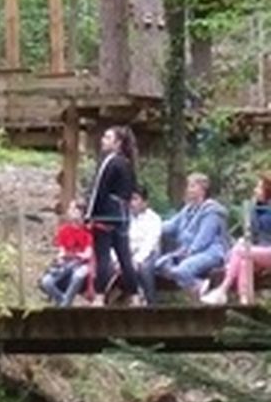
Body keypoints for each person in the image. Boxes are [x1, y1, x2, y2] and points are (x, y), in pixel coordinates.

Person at [143, 172, 229, 303]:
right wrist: (151, 224)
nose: (189, 190)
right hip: (186, 252)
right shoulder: (188, 209)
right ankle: (201, 288)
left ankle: (205, 291)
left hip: (209, 252)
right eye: (189, 186)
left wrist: (188, 253)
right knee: (159, 265)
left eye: (193, 186)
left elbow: (204, 239)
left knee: (183, 270)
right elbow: (171, 226)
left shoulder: (212, 211)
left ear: (203, 189)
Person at [85, 124, 139, 305]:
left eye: (107, 138)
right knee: (125, 257)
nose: (103, 140)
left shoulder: (109, 162)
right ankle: (135, 295)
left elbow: (98, 191)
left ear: (117, 143)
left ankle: (99, 296)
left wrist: (89, 215)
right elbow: (131, 190)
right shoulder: (127, 163)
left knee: (103, 257)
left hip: (105, 216)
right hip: (122, 216)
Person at [202, 173, 271, 305]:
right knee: (244, 261)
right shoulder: (256, 208)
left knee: (240, 250)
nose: (255, 190)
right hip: (261, 251)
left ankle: (223, 289)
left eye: (259, 187)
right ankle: (244, 301)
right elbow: (252, 233)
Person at [39, 199, 93, 307]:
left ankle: (65, 304)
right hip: (66, 263)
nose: (70, 211)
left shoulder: (88, 231)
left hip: (81, 264)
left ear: (81, 212)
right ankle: (64, 302)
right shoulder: (64, 230)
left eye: (73, 209)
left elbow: (88, 253)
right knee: (46, 282)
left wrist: (76, 256)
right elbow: (61, 250)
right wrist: (61, 258)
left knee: (78, 276)